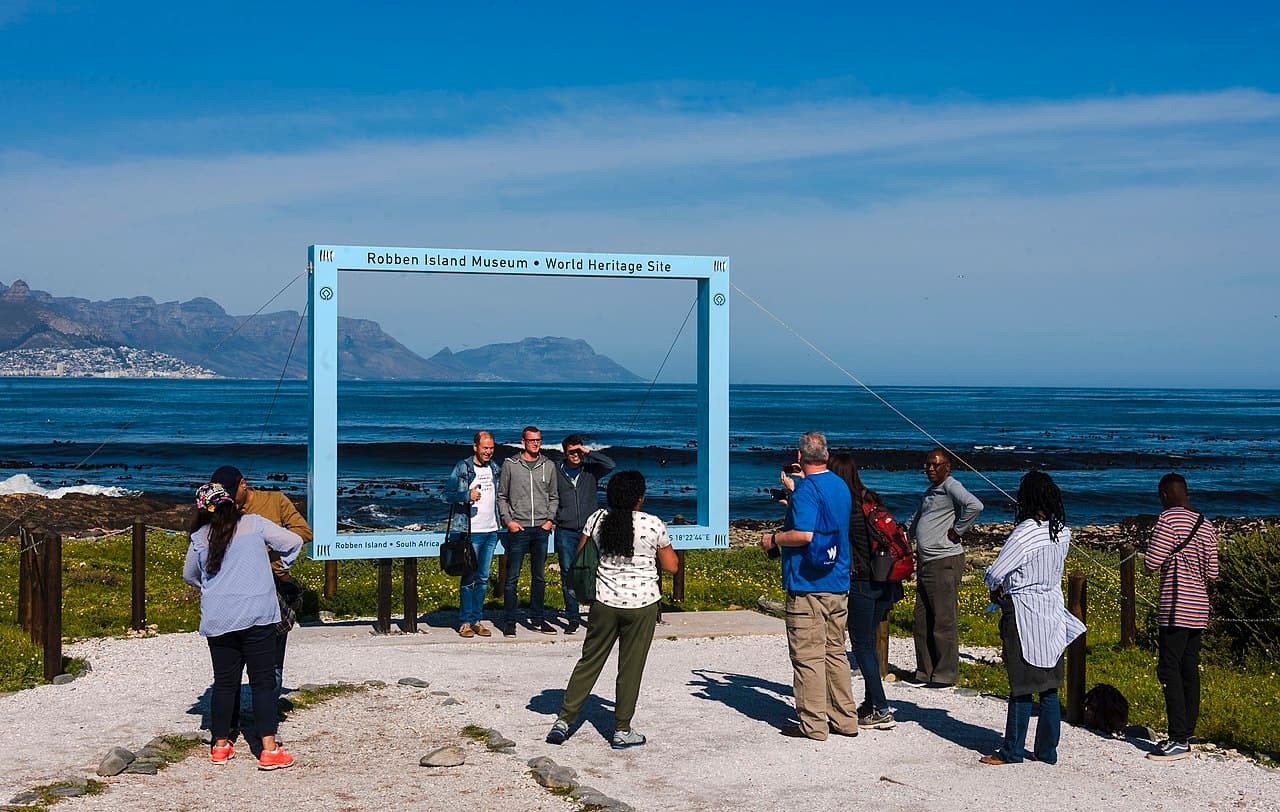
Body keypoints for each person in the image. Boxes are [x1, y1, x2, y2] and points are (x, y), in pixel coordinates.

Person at [545, 470, 677, 749]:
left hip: (604, 601)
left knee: (589, 661)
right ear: (639, 498)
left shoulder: (597, 519)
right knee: (630, 668)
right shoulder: (652, 524)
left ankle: (564, 721)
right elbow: (671, 565)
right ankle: (621, 729)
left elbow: (582, 555)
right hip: (642, 604)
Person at [184, 482, 301, 770]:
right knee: (263, 682)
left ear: (203, 511)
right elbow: (293, 542)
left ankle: (220, 746)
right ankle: (269, 750)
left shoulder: (200, 536)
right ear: (230, 503)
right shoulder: (254, 524)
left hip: (219, 617)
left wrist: (212, 587)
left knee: (225, 683)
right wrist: (279, 565)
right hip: (258, 613)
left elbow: (190, 575)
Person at [979, 471, 1085, 766]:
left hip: (1023, 609)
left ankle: (1012, 751)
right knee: (1049, 684)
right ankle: (1047, 751)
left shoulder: (1024, 533)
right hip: (1052, 606)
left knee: (1022, 683)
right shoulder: (1062, 531)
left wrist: (993, 586)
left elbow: (995, 572)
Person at [759, 432, 860, 740]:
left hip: (808, 583)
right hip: (837, 580)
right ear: (826, 456)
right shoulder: (839, 485)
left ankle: (813, 723)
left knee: (807, 656)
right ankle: (845, 718)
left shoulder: (807, 490)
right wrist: (796, 492)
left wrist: (773, 539)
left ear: (800, 458)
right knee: (834, 651)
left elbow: (804, 534)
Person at [210, 465, 312, 706]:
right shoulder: (223, 509)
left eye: (231, 492)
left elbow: (303, 532)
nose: (228, 499)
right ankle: (232, 717)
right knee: (232, 663)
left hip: (272, 588)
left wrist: (266, 550)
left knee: (272, 659)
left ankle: (266, 713)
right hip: (234, 590)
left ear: (243, 484)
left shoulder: (275, 501)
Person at [1144, 473, 1219, 762]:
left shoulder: (1167, 520)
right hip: (1200, 607)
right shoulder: (1206, 523)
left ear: (1164, 494)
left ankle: (1177, 738)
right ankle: (1188, 733)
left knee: (1168, 669)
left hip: (1176, 607)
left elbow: (1151, 563)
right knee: (1189, 669)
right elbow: (1213, 572)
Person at [829, 451, 900, 731]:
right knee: (869, 642)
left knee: (861, 645)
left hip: (862, 580)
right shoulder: (871, 498)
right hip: (886, 579)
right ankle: (872, 704)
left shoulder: (846, 507)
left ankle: (881, 707)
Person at [906, 448, 984, 687]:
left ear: (947, 467)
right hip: (926, 561)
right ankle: (925, 671)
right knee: (922, 618)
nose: (930, 468)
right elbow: (916, 518)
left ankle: (945, 674)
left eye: (936, 464)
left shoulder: (951, 486)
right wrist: (903, 536)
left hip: (944, 560)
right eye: (928, 464)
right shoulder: (930, 492)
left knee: (943, 619)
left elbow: (975, 505)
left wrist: (958, 530)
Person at [497, 425, 560, 637]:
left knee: (539, 577)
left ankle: (538, 618)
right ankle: (510, 621)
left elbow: (554, 496)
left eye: (538, 440)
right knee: (512, 577)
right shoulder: (510, 465)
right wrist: (508, 521)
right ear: (523, 441)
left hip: (541, 529)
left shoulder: (548, 465)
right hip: (519, 529)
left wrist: (549, 520)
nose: (535, 444)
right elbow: (502, 496)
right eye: (532, 440)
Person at [553, 434, 615, 634]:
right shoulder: (556, 471)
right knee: (567, 573)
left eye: (578, 451)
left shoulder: (590, 470)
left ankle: (595, 616)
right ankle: (572, 617)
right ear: (565, 452)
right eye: (572, 451)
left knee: (594, 571)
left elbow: (610, 464)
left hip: (590, 530)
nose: (576, 455)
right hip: (565, 529)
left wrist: (588, 451)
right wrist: (554, 517)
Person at [445, 431, 502, 638]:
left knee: (483, 579)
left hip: (491, 531)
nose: (489, 451)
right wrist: (467, 495)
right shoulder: (463, 468)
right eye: (485, 448)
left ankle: (477, 620)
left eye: (491, 448)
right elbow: (446, 495)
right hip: (470, 532)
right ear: (475, 447)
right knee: (468, 578)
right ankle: (465, 622)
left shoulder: (495, 468)